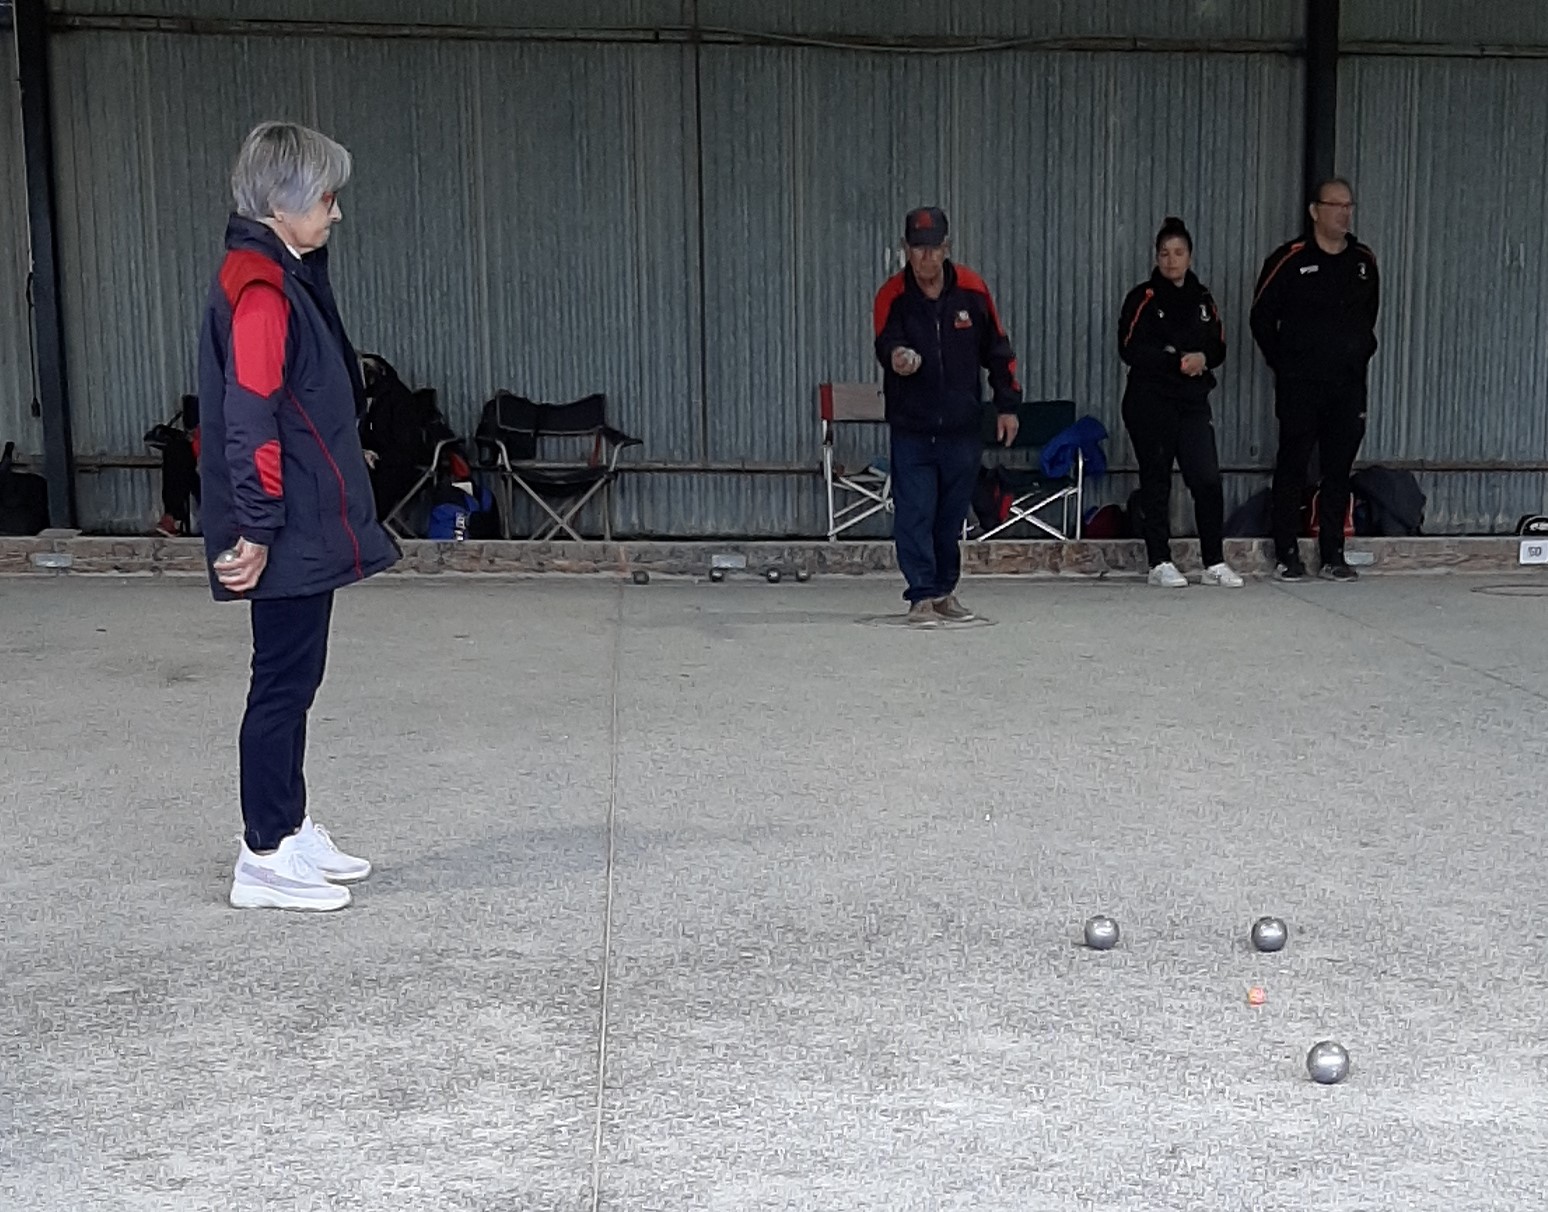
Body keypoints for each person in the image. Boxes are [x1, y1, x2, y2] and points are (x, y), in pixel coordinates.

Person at [198, 121, 399, 911]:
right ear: (282, 205)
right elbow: (249, 415)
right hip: (281, 523)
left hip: (300, 519)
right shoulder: (260, 289)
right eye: (325, 197)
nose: (336, 213)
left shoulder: (289, 273)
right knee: (280, 684)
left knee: (297, 677)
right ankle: (263, 854)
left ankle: (289, 823)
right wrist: (255, 527)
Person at [873, 206, 1020, 626]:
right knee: (915, 509)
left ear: (947, 248)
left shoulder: (972, 290)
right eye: (917, 249)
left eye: (933, 248)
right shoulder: (891, 295)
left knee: (950, 515)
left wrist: (1007, 406)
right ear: (905, 249)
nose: (926, 258)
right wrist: (897, 358)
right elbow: (885, 343)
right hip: (913, 426)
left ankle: (944, 591)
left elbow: (999, 350)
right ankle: (920, 594)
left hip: (961, 426)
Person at [1250, 177, 1380, 582]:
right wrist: (1283, 362)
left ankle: (1332, 552)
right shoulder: (1289, 260)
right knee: (1293, 462)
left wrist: (1358, 351)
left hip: (1347, 385)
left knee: (1339, 468)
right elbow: (1260, 317)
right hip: (1301, 384)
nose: (1344, 213)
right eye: (1335, 205)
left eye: (1349, 205)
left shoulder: (1362, 261)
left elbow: (1368, 317)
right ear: (1315, 211)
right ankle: (1287, 551)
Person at [1117, 216, 1242, 589]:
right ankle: (1159, 561)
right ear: (1156, 258)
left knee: (1205, 477)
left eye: (1178, 253)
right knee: (1156, 480)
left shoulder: (1203, 299)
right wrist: (1174, 361)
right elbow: (1129, 348)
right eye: (1164, 254)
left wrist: (1203, 359)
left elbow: (1218, 345)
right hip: (1150, 400)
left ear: (1189, 256)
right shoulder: (1144, 298)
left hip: (1192, 401)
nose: (1171, 260)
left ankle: (1214, 561)